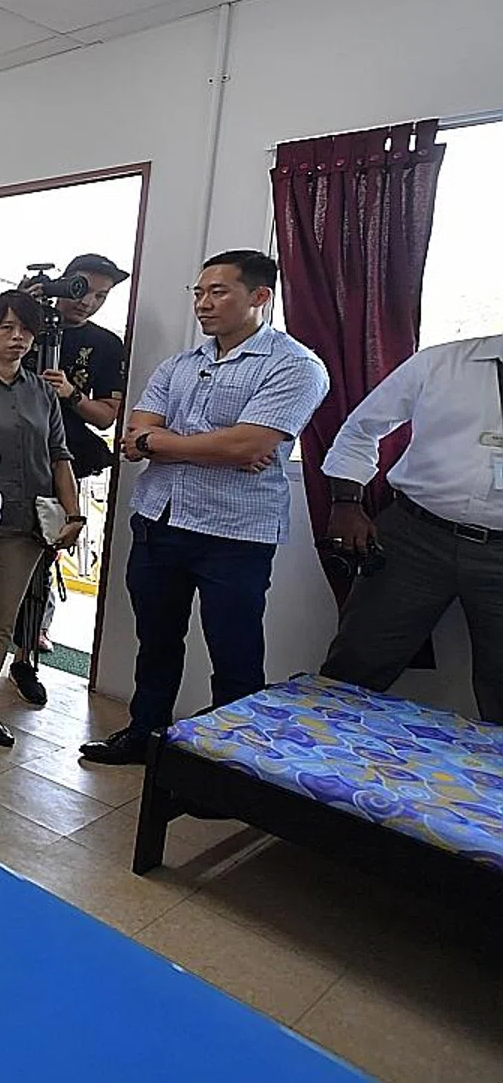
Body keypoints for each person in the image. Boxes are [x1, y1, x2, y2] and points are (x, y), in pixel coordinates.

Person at [81, 251, 328, 765]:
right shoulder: (180, 364)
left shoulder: (296, 366)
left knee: (234, 652)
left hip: (235, 534)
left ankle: (228, 761)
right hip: (160, 520)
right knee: (156, 641)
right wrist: (219, 446)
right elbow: (133, 436)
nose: (204, 303)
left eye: (218, 292)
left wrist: (169, 442)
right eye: (198, 293)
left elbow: (248, 445)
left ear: (260, 297)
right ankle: (144, 733)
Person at [318, 333, 503, 722]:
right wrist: (347, 503)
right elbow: (360, 429)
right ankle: (304, 772)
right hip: (416, 538)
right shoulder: (441, 363)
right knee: (356, 664)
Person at [0, 292, 84, 747]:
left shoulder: (42, 391)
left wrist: (74, 513)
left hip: (27, 523)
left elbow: (58, 455)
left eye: (24, 329)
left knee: (3, 621)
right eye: (5, 328)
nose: (17, 338)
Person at [10, 253, 130, 704]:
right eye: (81, 288)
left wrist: (71, 394)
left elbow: (105, 417)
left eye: (101, 295)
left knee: (42, 558)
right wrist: (21, 305)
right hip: (6, 457)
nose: (87, 302)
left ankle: (26, 657)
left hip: (65, 461)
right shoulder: (22, 321)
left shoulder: (106, 344)